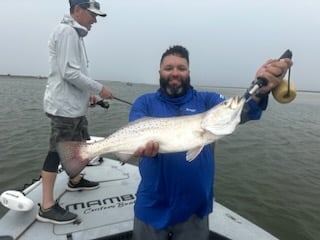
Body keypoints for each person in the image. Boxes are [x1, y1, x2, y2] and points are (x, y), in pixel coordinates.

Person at [129, 45, 292, 240]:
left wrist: (260, 90)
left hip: (195, 210)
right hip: (151, 208)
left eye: (181, 68)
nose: (175, 73)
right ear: (160, 72)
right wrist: (140, 148)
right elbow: (133, 136)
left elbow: (242, 110)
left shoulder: (208, 100)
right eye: (168, 68)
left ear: (189, 72)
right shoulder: (144, 102)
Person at [36, 0, 113, 224]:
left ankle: (75, 180)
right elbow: (69, 73)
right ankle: (47, 206)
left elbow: (71, 74)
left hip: (73, 107)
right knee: (56, 152)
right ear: (77, 10)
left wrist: (87, 95)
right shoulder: (67, 32)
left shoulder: (74, 35)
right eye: (92, 15)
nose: (95, 20)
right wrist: (100, 89)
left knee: (79, 145)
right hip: (64, 109)